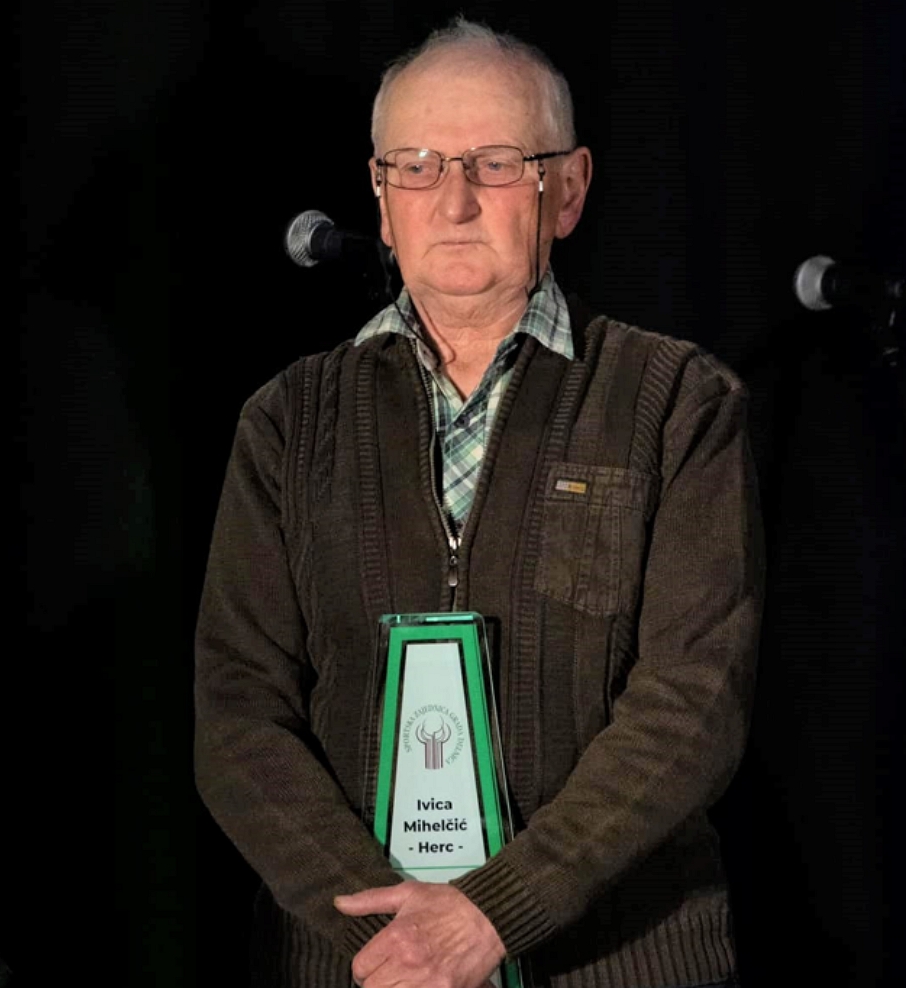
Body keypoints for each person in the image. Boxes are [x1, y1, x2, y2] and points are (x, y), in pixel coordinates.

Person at [195, 17, 763, 988]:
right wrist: (394, 938)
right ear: (381, 199)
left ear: (567, 190)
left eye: (496, 164)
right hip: (359, 967)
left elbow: (693, 702)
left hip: (620, 963)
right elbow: (239, 714)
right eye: (415, 166)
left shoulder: (678, 401)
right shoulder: (286, 422)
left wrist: (494, 913)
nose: (453, 201)